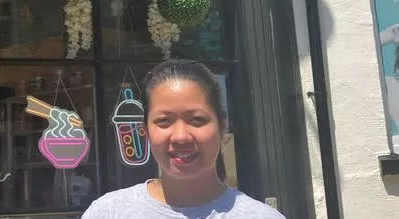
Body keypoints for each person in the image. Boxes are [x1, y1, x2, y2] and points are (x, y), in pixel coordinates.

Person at [82, 60, 284, 218]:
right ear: (145, 131)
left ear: (222, 127)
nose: (180, 136)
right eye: (164, 121)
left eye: (197, 120)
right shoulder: (109, 213)